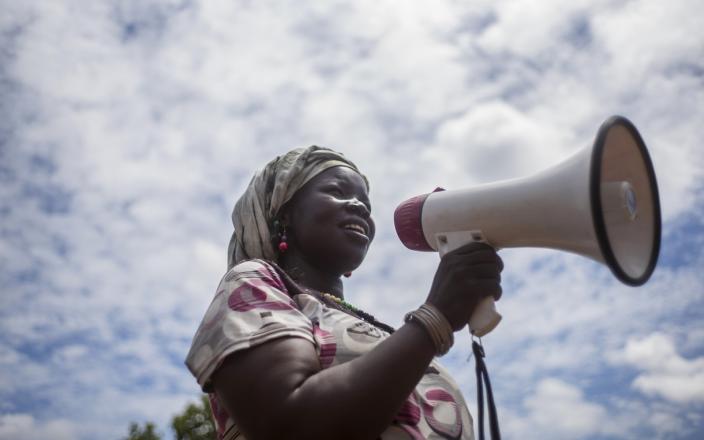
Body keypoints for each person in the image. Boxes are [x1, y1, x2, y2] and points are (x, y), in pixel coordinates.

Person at [185, 146, 503, 440]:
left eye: (366, 204)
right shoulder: (253, 282)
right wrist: (436, 318)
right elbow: (291, 424)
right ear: (284, 216)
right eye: (337, 192)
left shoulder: (379, 332)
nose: (360, 208)